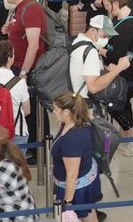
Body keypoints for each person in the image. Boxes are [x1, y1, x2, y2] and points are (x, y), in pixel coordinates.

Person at [51, 93, 103, 221]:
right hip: (86, 176)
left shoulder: (72, 140)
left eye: (56, 109)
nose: (53, 112)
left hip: (76, 187)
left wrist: (67, 202)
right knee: (89, 213)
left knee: (83, 215)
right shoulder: (78, 123)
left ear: (67, 112)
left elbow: (72, 174)